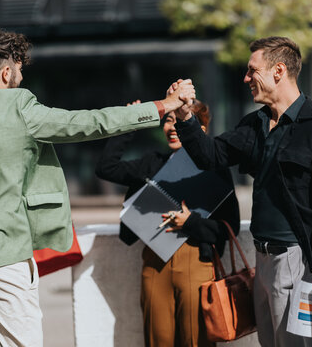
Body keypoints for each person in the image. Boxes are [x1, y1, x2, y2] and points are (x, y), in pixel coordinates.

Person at [0, 28, 196, 347]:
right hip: (0, 254)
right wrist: (163, 104)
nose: (20, 77)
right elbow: (92, 123)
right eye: (19, 70)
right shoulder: (20, 106)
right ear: (6, 73)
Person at [170, 36, 312, 347]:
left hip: (298, 263)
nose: (245, 78)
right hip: (262, 261)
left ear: (278, 71)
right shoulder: (255, 124)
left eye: (252, 70)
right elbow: (211, 156)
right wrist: (185, 116)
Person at [95, 100, 240, 347]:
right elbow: (106, 167)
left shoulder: (215, 170)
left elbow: (230, 228)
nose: (172, 127)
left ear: (200, 130)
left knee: (196, 341)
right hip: (155, 264)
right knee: (156, 340)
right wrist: (130, 122)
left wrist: (191, 222)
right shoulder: (152, 162)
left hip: (197, 262)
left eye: (180, 121)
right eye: (169, 120)